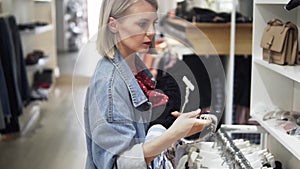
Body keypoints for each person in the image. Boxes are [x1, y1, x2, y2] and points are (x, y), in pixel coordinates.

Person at [84, 0, 212, 168]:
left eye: (153, 23)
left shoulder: (134, 67)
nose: (151, 32)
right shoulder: (110, 84)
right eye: (142, 24)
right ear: (113, 25)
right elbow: (118, 164)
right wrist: (172, 134)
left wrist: (174, 126)